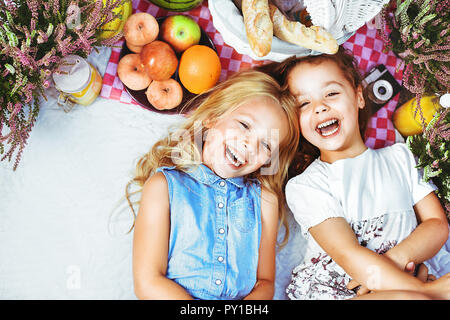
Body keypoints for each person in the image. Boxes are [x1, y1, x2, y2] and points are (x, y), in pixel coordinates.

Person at [258, 47, 450, 300]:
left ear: (359, 97)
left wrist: (398, 260)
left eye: (331, 93)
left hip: (401, 281)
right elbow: (349, 254)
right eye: (304, 103)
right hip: (337, 292)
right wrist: (427, 291)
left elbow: (436, 225)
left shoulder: (400, 157)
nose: (320, 108)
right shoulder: (306, 185)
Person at [126, 69, 300, 300]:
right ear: (213, 118)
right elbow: (148, 282)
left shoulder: (264, 201)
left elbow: (265, 283)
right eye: (245, 125)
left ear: (270, 161)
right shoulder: (163, 186)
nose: (250, 145)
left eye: (267, 145)